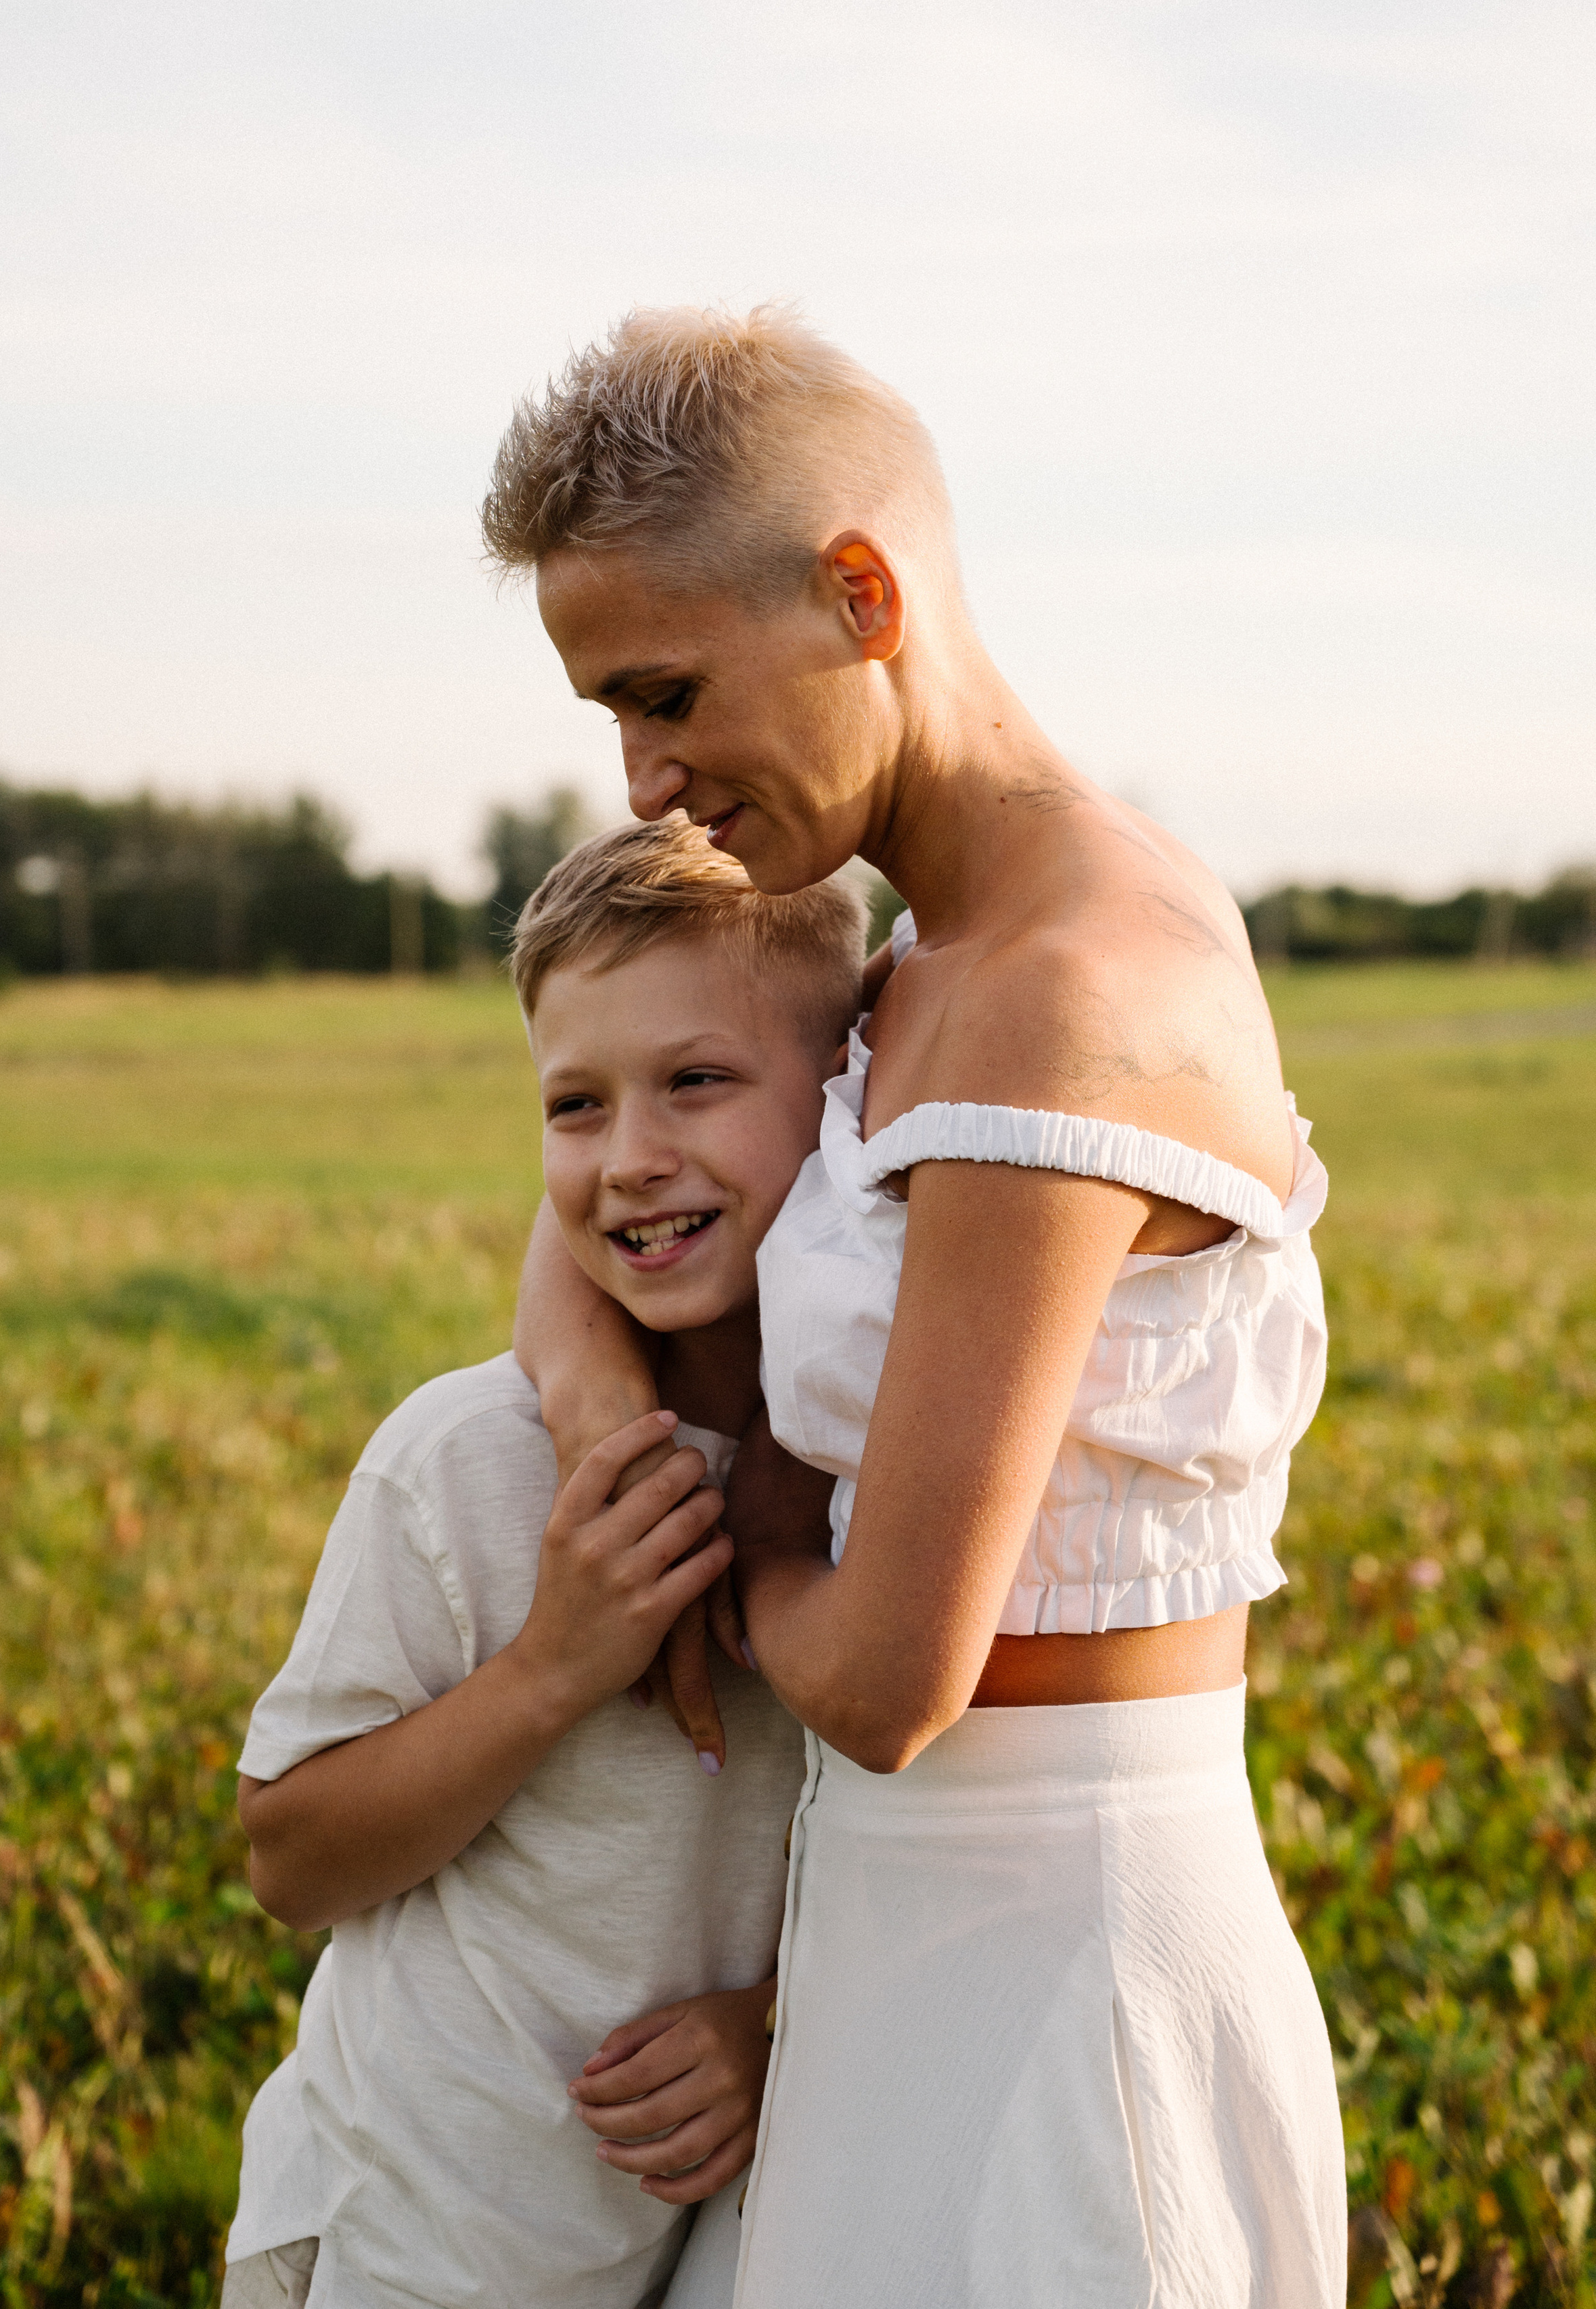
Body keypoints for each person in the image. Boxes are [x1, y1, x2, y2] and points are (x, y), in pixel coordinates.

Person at [486, 305, 1348, 2308]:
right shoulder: (907, 973)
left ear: (863, 591)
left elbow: (889, 1678)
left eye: (670, 689)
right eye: (609, 714)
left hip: (1063, 1950)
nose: (644, 776)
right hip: (886, 1929)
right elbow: (584, 1220)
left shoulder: (1064, 990)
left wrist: (701, 1560)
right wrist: (620, 1425)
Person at [223, 818, 867, 2309]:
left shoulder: (879, 1489)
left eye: (693, 1080)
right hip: (409, 2233)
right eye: (574, 1103)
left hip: (704, 2245)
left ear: (842, 1101)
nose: (630, 1160)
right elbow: (290, 1855)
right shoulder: (465, 1458)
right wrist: (549, 1671)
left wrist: (773, 2025)